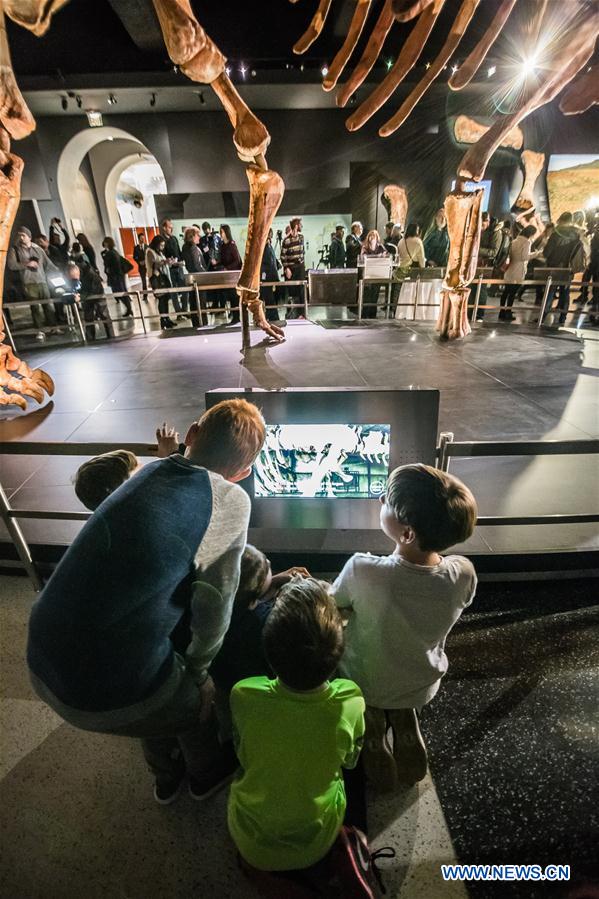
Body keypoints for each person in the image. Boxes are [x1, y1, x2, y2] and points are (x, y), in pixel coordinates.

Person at [27, 399, 266, 804]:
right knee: (197, 694)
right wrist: (196, 671)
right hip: (102, 694)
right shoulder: (231, 499)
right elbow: (215, 602)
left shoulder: (148, 470)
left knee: (151, 668)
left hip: (41, 665)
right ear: (242, 473)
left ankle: (165, 776)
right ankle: (205, 775)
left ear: (191, 434)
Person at [332, 463, 477, 791]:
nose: (381, 499)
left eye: (387, 502)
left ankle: (372, 727)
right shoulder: (463, 573)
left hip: (365, 679)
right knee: (401, 686)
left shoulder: (363, 570)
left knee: (362, 677)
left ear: (407, 533)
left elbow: (332, 602)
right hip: (419, 682)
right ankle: (404, 716)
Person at [228, 578, 366, 879]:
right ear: (338, 653)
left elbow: (242, 752)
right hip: (316, 842)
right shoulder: (349, 698)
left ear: (269, 651)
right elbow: (350, 759)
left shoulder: (244, 694)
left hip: (249, 839)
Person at [7, 225, 58, 330]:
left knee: (48, 306)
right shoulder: (15, 250)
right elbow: (11, 265)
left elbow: (48, 263)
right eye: (20, 235)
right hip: (28, 283)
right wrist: (26, 264)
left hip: (42, 281)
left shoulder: (38, 249)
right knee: (35, 308)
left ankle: (54, 327)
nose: (21, 238)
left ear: (29, 237)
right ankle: (40, 330)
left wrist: (58, 270)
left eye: (23, 235)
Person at [542, 211, 581, 324]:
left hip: (554, 268)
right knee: (565, 292)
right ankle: (563, 317)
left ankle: (543, 315)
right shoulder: (576, 235)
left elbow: (546, 253)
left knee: (550, 291)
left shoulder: (555, 234)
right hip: (568, 269)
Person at [499, 225, 541, 321]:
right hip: (518, 270)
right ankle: (508, 313)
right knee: (512, 293)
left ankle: (502, 311)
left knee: (506, 291)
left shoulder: (514, 241)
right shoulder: (526, 242)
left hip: (510, 269)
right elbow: (524, 257)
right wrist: (536, 254)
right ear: (530, 234)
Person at [78, 258, 115, 342]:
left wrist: (81, 296)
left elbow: (92, 289)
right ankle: (94, 337)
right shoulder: (85, 271)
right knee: (93, 317)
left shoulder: (90, 275)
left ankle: (107, 336)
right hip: (91, 296)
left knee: (102, 315)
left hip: (96, 295)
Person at [145, 234, 177, 330]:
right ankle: (163, 320)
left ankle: (167, 319)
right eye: (161, 245)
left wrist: (168, 262)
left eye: (163, 245)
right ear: (156, 244)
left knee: (165, 299)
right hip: (157, 279)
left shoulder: (159, 252)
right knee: (161, 300)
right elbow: (153, 264)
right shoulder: (150, 252)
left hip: (163, 278)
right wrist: (164, 262)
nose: (162, 247)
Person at [216, 224, 243, 324]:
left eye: (222, 232)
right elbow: (223, 260)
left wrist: (227, 268)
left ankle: (236, 317)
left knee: (234, 296)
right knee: (230, 296)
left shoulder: (232, 245)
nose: (221, 234)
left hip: (233, 275)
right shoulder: (223, 245)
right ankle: (233, 315)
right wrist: (217, 264)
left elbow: (237, 260)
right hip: (226, 276)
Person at [101, 237, 133, 317]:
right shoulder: (114, 252)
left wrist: (109, 271)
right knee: (122, 293)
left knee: (120, 293)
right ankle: (129, 309)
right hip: (119, 276)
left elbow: (112, 265)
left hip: (116, 277)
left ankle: (129, 309)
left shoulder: (110, 253)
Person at [281, 217, 305, 320]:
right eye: (300, 224)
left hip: (300, 268)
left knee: (301, 291)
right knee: (292, 292)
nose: (301, 226)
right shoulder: (286, 240)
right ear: (296, 226)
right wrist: (287, 268)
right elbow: (283, 256)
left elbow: (302, 252)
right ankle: (292, 314)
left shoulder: (301, 237)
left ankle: (302, 314)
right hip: (291, 269)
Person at [181, 226, 206, 328]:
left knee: (193, 303)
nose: (199, 237)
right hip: (199, 279)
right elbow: (197, 265)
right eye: (197, 235)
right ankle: (203, 324)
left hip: (192, 278)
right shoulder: (194, 248)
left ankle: (196, 324)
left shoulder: (185, 247)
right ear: (192, 236)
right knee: (201, 303)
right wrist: (205, 274)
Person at [160, 219, 186, 317]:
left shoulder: (174, 238)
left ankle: (184, 311)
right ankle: (179, 313)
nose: (171, 229)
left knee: (184, 289)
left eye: (172, 227)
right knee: (173, 291)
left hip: (178, 267)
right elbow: (162, 255)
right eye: (170, 227)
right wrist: (169, 261)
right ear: (164, 228)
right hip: (170, 269)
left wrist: (181, 260)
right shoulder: (162, 240)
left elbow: (178, 252)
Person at [360, 229, 387, 319]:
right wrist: (375, 257)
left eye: (374, 236)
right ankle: (364, 314)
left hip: (377, 273)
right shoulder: (365, 247)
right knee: (367, 296)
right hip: (368, 274)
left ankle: (372, 315)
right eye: (370, 236)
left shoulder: (380, 247)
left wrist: (383, 256)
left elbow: (386, 255)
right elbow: (363, 257)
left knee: (375, 296)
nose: (372, 237)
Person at [260, 228, 281, 323]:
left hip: (270, 276)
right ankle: (272, 318)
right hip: (266, 277)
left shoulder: (269, 246)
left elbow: (272, 261)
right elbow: (264, 263)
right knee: (268, 298)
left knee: (270, 299)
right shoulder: (264, 247)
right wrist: (262, 277)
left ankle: (272, 317)